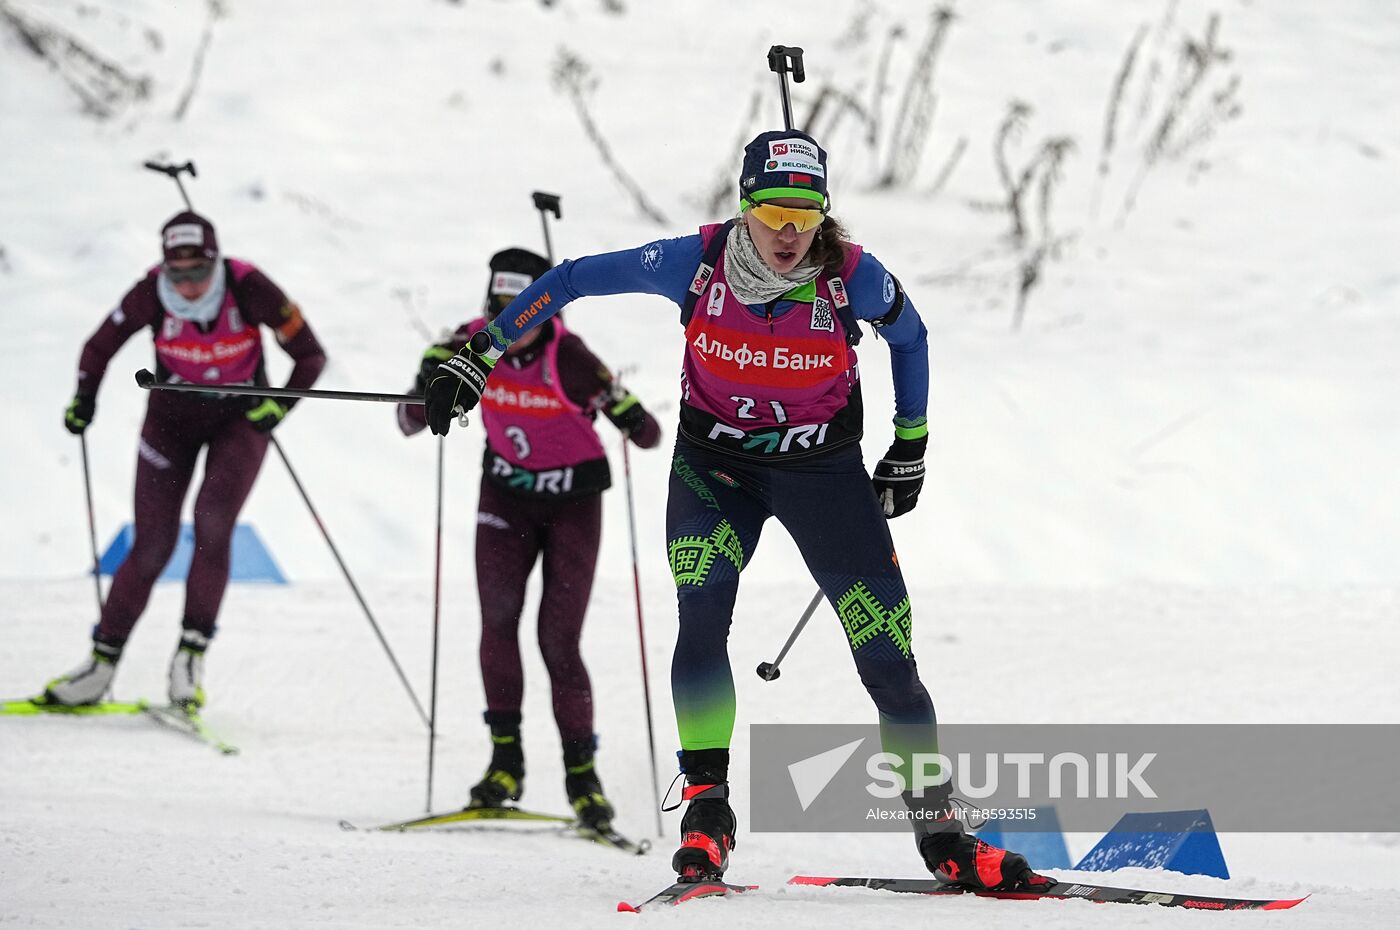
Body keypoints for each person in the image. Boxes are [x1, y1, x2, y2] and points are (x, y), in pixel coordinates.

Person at [420, 131, 1053, 891]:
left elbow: (910, 338)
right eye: (772, 210)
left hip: (822, 473)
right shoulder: (693, 261)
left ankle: (942, 834)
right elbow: (574, 279)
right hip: (715, 469)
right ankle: (706, 815)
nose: (789, 231)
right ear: (744, 206)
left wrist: (909, 443)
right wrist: (480, 352)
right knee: (703, 617)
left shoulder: (852, 276)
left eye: (806, 211)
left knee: (887, 655)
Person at [397, 247, 661, 831]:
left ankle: (582, 780)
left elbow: (647, 433)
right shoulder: (466, 349)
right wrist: (428, 387)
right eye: (500, 311)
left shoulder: (570, 357)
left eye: (524, 311)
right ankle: (505, 765)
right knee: (498, 619)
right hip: (506, 496)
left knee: (557, 639)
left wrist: (619, 405)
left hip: (573, 503)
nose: (511, 326)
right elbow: (409, 419)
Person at [44, 211, 326, 710]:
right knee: (151, 544)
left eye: (199, 272)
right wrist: (84, 399)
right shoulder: (151, 292)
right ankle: (100, 664)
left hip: (239, 420)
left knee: (213, 522)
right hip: (170, 421)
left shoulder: (249, 286)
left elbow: (310, 355)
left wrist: (278, 406)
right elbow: (97, 347)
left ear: (215, 262)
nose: (190, 285)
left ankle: (188, 661)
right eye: (179, 274)